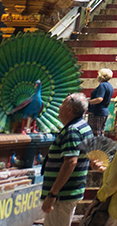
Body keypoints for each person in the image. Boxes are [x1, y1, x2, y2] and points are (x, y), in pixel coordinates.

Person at [41, 93, 93, 226]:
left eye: (63, 104)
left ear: (70, 110)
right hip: (70, 192)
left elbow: (70, 162)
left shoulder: (72, 131)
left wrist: (52, 195)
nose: (59, 107)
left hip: (62, 195)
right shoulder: (84, 127)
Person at [88, 68, 114, 137]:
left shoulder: (102, 85)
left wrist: (88, 102)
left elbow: (99, 99)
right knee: (100, 132)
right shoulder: (109, 86)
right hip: (104, 111)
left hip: (97, 112)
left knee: (95, 133)